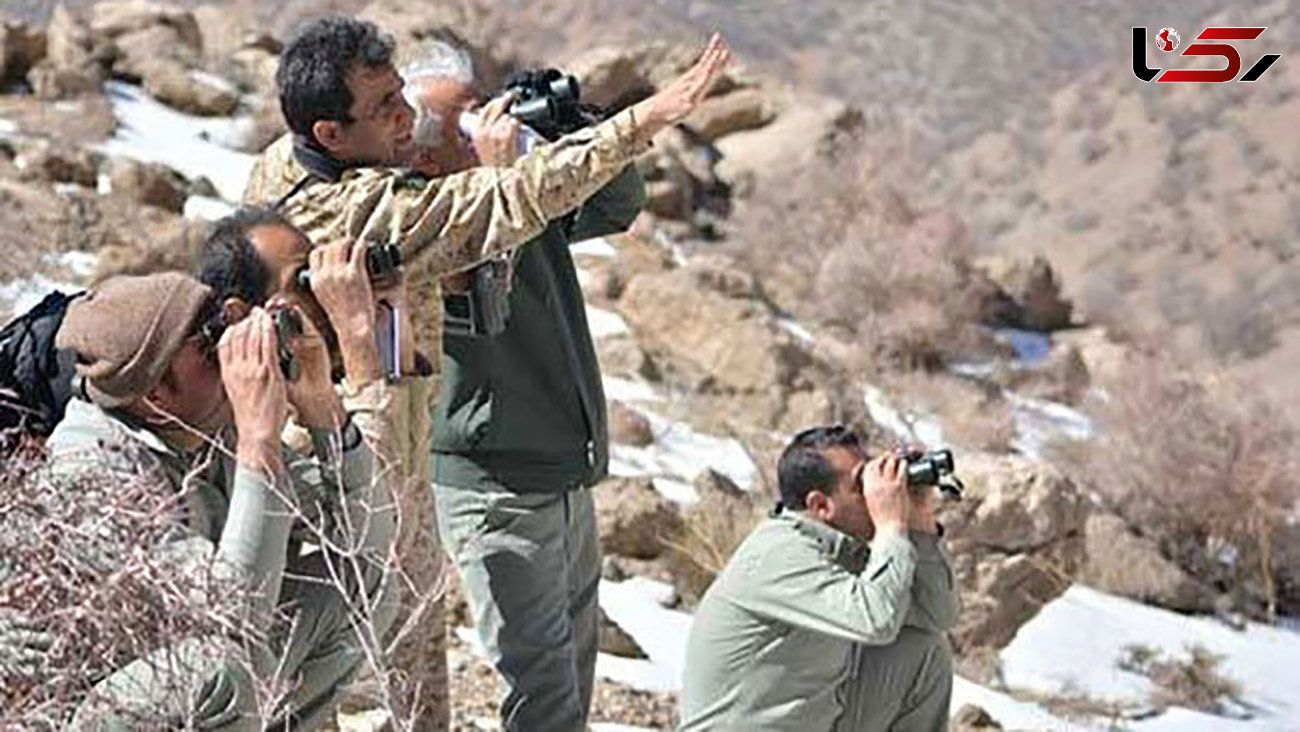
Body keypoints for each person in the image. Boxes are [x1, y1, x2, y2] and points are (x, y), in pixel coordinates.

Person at [242, 16, 730, 393]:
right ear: (330, 133)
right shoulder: (359, 210)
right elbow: (509, 201)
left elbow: (616, 205)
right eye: (385, 107)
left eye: (402, 96)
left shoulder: (288, 160)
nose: (406, 115)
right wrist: (646, 118)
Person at [402, 42, 645, 730]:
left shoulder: (519, 192)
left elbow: (619, 203)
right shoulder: (425, 220)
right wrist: (500, 175)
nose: (491, 122)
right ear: (419, 153)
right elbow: (478, 305)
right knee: (538, 683)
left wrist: (573, 125)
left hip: (564, 467)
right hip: (495, 483)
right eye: (467, 118)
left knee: (572, 673)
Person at [46, 266, 399, 729]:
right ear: (155, 395)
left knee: (363, 586)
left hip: (188, 665)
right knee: (227, 669)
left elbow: (365, 539)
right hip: (90, 705)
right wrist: (258, 443)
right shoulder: (91, 469)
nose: (232, 349)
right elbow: (235, 618)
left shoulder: (205, 426)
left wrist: (323, 410)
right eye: (211, 343)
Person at [192, 206, 449, 725]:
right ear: (244, 314)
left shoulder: (303, 375)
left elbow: (405, 467)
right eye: (302, 281)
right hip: (242, 673)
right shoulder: (252, 407)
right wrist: (356, 343)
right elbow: (373, 536)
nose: (322, 294)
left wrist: (387, 321)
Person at [678, 426, 959, 731]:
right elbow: (877, 620)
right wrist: (892, 527)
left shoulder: (840, 548)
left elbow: (937, 614)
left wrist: (918, 519)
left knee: (923, 653)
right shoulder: (780, 553)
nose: (873, 493)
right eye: (860, 485)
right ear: (820, 506)